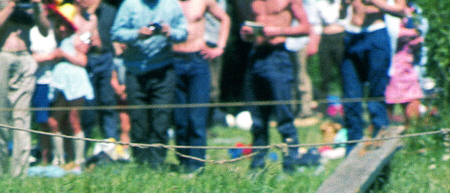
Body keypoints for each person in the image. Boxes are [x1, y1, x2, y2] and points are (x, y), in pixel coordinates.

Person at [235, 0, 311, 172]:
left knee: (284, 115)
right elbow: (249, 24)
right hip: (256, 56)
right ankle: (257, 167)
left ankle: (291, 166)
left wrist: (279, 31)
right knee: (258, 118)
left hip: (278, 56)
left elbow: (306, 27)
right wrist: (246, 33)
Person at [111, 0, 188, 168]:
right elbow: (116, 33)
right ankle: (141, 163)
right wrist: (137, 34)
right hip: (135, 71)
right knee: (138, 119)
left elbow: (184, 32)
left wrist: (170, 32)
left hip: (163, 71)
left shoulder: (171, 5)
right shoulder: (129, 5)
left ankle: (157, 164)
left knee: (161, 118)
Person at [0, 0, 51, 177]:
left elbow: (45, 30)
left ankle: (19, 174)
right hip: (0, 56)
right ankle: (1, 172)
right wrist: (11, 5)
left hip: (25, 59)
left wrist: (37, 7)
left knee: (22, 119)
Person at [171, 0, 230, 174]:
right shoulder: (168, 3)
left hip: (197, 60)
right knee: (180, 120)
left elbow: (224, 18)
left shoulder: (203, 1)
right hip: (174, 59)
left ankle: (196, 167)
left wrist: (220, 47)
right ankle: (183, 162)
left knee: (196, 118)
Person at [341, 0, 407, 152]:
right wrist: (344, 5)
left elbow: (401, 10)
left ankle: (380, 147)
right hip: (351, 35)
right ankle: (352, 150)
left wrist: (375, 3)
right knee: (351, 99)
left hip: (376, 33)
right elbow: (340, 13)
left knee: (376, 96)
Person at [46, 3, 95, 169]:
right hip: (61, 83)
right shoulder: (55, 39)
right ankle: (58, 158)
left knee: (74, 119)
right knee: (54, 121)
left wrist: (64, 55)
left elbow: (83, 60)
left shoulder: (75, 39)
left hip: (75, 82)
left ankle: (79, 159)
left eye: (64, 25)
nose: (61, 28)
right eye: (59, 24)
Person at [77, 0, 120, 148]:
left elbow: (115, 38)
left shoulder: (109, 11)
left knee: (108, 102)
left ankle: (112, 144)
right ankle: (85, 145)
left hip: (106, 58)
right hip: (86, 60)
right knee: (87, 105)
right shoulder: (74, 13)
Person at [384, 2, 424, 124]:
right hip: (391, 61)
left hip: (409, 62)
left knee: (412, 98)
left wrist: (416, 37)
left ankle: (412, 135)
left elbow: (421, 31)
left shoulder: (415, 9)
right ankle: (383, 132)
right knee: (386, 98)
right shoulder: (387, 6)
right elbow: (391, 32)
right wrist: (412, 33)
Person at [30, 15, 60, 164]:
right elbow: (32, 57)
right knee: (44, 122)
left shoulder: (55, 26)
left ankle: (60, 157)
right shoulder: (33, 29)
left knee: (57, 120)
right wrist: (50, 56)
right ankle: (45, 157)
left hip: (57, 80)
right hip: (40, 81)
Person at [309, 0, 346, 113]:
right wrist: (314, 42)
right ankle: (323, 108)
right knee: (325, 75)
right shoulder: (318, 3)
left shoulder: (342, 2)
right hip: (325, 38)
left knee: (344, 74)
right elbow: (315, 23)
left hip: (341, 37)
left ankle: (347, 105)